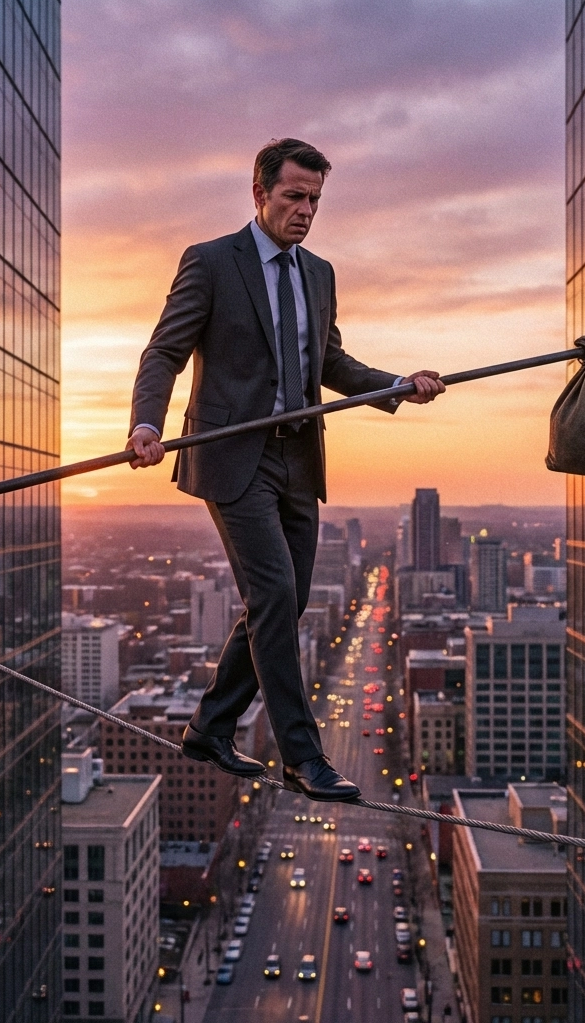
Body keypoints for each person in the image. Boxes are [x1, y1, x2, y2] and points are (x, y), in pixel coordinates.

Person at [127, 138, 445, 801]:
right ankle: (303, 756)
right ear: (260, 194)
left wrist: (396, 383)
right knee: (272, 596)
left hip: (299, 456)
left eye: (315, 201)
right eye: (294, 196)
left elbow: (331, 364)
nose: (305, 210)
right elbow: (164, 352)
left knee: (288, 601)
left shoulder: (320, 274)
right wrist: (147, 426)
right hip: (231, 456)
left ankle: (211, 727)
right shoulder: (211, 262)